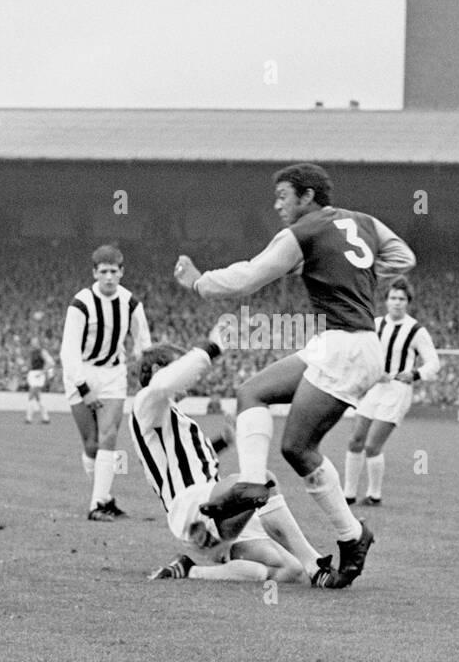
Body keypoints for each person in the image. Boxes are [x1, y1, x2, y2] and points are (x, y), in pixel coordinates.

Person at [173, 162, 415, 586]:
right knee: (252, 392)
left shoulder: (302, 233)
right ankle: (251, 483)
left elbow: (248, 278)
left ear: (307, 196)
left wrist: (199, 283)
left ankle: (353, 535)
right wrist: (355, 272)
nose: (277, 204)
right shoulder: (365, 222)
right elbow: (404, 257)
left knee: (298, 448)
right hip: (342, 343)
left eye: (283, 195)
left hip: (347, 346)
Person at [131, 329, 344, 587]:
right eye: (180, 366)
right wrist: (211, 347)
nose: (192, 377)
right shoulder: (146, 402)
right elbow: (164, 384)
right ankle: (316, 563)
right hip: (191, 504)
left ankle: (190, 571)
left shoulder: (167, 416)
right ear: (156, 369)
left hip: (210, 511)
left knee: (291, 570)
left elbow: (188, 460)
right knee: (261, 481)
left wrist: (224, 440)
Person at [61, 245, 152, 521]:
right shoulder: (81, 303)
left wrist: (148, 372)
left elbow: (143, 343)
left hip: (113, 374)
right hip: (82, 373)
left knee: (109, 435)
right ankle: (104, 496)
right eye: (104, 272)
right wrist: (84, 389)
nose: (109, 277)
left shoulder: (131, 304)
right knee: (91, 443)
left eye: (114, 271)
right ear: (94, 273)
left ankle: (97, 505)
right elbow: (69, 351)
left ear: (122, 272)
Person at [343, 277, 440, 506]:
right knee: (355, 440)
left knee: (372, 445)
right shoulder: (376, 325)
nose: (397, 303)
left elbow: (433, 363)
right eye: (393, 298)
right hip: (375, 388)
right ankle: (347, 495)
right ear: (386, 301)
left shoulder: (416, 330)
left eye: (402, 299)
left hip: (397, 391)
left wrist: (414, 374)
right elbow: (362, 353)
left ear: (408, 303)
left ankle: (374, 495)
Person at [24, 337, 55, 424]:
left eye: (34, 342)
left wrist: (43, 372)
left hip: (38, 374)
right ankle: (45, 417)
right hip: (33, 374)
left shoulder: (42, 351)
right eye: (32, 342)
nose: (32, 343)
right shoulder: (32, 352)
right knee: (37, 397)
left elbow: (51, 363)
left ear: (38, 343)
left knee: (31, 393)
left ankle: (28, 417)